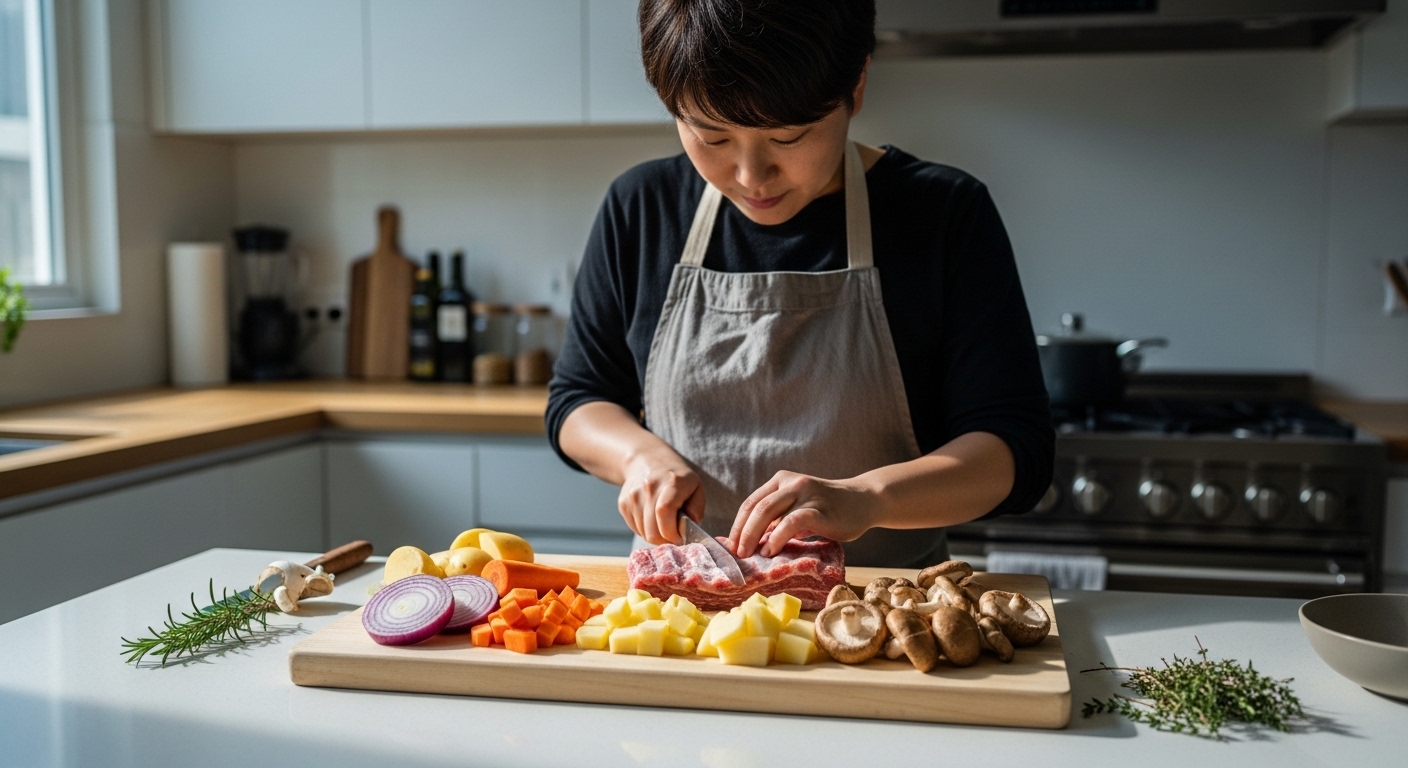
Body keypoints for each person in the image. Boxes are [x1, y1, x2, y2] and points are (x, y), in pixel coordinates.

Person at [547, 0, 1053, 568]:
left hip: (884, 628)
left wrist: (867, 498)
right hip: (681, 629)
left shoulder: (943, 212)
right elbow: (578, 400)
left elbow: (1013, 450)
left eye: (787, 138)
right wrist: (638, 457)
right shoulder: (641, 207)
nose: (750, 175)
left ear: (856, 87)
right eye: (711, 138)